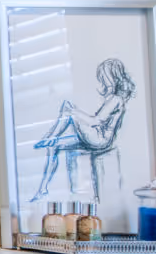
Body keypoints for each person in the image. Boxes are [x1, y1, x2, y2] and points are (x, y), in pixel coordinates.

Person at [33, 57, 134, 200]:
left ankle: (50, 137)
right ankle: (42, 189)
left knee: (67, 108)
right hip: (96, 137)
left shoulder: (116, 99)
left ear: (113, 77)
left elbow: (95, 121)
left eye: (104, 76)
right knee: (53, 146)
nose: (102, 80)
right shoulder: (112, 98)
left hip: (100, 139)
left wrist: (74, 112)